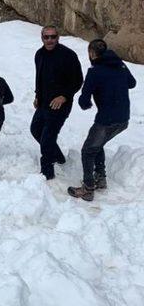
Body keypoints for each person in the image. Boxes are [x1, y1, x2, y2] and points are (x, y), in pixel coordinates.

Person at [68, 39, 136, 201]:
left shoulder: (95, 72)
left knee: (87, 151)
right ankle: (101, 178)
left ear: (92, 53)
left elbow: (84, 102)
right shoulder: (119, 65)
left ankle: (88, 188)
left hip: (106, 120)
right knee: (97, 145)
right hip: (123, 119)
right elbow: (132, 83)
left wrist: (87, 100)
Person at [31, 25, 83, 180]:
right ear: (42, 38)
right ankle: (58, 157)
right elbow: (39, 77)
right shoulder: (39, 54)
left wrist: (64, 96)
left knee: (47, 138)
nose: (50, 40)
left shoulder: (68, 55)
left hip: (60, 105)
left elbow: (78, 80)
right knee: (36, 130)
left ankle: (47, 175)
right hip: (43, 102)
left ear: (58, 37)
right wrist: (37, 95)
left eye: (53, 37)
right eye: (46, 37)